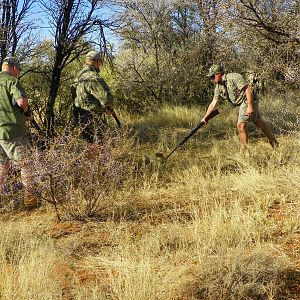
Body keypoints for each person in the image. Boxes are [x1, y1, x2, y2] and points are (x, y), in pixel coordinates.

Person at [201, 64, 278, 153]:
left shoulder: (233, 77)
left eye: (213, 76)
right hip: (242, 102)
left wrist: (249, 106)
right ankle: (274, 142)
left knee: (241, 124)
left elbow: (248, 89)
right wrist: (205, 117)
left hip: (248, 99)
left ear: (219, 74)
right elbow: (213, 103)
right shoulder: (218, 87)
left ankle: (243, 152)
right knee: (258, 121)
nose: (212, 79)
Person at [0, 56, 39, 209]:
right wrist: (27, 112)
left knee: (3, 166)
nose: (19, 73)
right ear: (14, 68)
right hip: (12, 130)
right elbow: (21, 102)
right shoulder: (11, 81)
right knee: (26, 164)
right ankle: (30, 200)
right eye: (19, 70)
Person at [72, 50, 114, 146]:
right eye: (100, 62)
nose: (100, 64)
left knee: (90, 143)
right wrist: (109, 108)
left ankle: (93, 161)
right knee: (99, 143)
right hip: (92, 115)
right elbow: (106, 98)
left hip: (80, 114)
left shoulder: (79, 76)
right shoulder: (93, 76)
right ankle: (101, 161)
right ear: (94, 61)